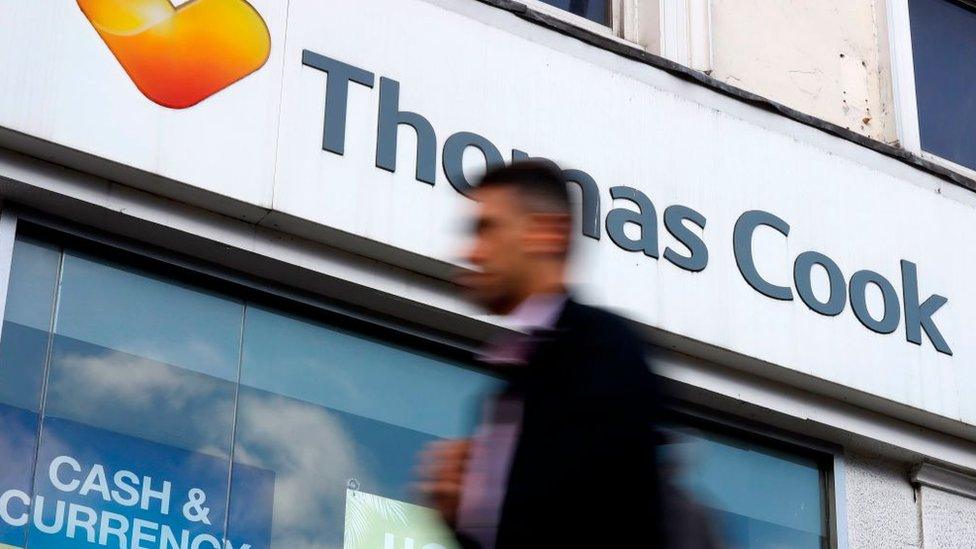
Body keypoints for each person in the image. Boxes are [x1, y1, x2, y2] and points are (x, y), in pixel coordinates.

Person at [416, 160, 667, 548]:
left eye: (487, 229)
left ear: (546, 233)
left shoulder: (604, 352)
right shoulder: (512, 385)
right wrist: (463, 518)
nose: (472, 253)